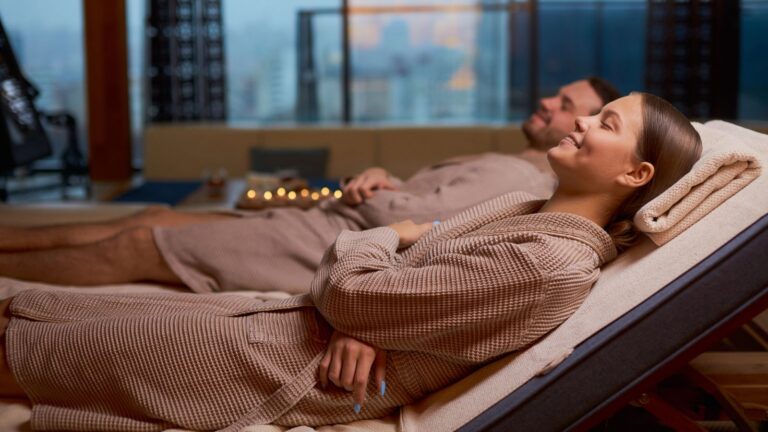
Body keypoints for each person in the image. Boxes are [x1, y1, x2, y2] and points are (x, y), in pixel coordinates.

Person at [0, 93, 702, 430]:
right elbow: (385, 284)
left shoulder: (550, 264)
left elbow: (364, 285)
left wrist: (381, 266)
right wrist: (378, 295)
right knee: (43, 313)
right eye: (596, 110)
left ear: (637, 175)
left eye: (605, 122)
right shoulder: (531, 212)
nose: (581, 120)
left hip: (279, 363)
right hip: (287, 327)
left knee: (30, 348)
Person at [0, 78, 620, 293]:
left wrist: (376, 191)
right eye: (558, 96)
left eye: (568, 106)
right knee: (144, 218)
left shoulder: (521, 176)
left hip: (322, 243)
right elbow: (423, 199)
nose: (549, 103)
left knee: (134, 245)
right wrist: (389, 178)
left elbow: (422, 226)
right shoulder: (503, 162)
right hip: (321, 220)